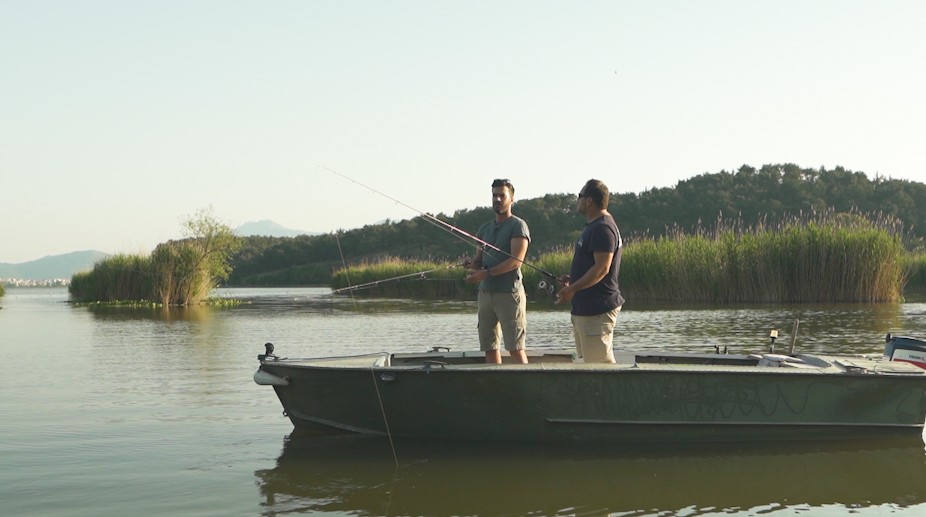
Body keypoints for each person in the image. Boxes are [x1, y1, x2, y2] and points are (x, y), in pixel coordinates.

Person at [555, 179, 624, 363]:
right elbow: (593, 267)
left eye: (580, 196)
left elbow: (601, 269)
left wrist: (572, 289)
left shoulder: (603, 228)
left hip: (597, 309)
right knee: (591, 365)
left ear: (589, 200)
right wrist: (574, 279)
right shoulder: (595, 227)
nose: (578, 200)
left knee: (600, 367)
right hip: (586, 309)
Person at [464, 179, 531, 364]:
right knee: (489, 347)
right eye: (495, 195)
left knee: (515, 348)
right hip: (485, 294)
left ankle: (525, 385)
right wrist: (472, 265)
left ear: (512, 199)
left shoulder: (518, 226)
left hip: (509, 295)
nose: (498, 199)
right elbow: (479, 262)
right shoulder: (484, 228)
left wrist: (485, 273)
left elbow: (515, 262)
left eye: (502, 195)